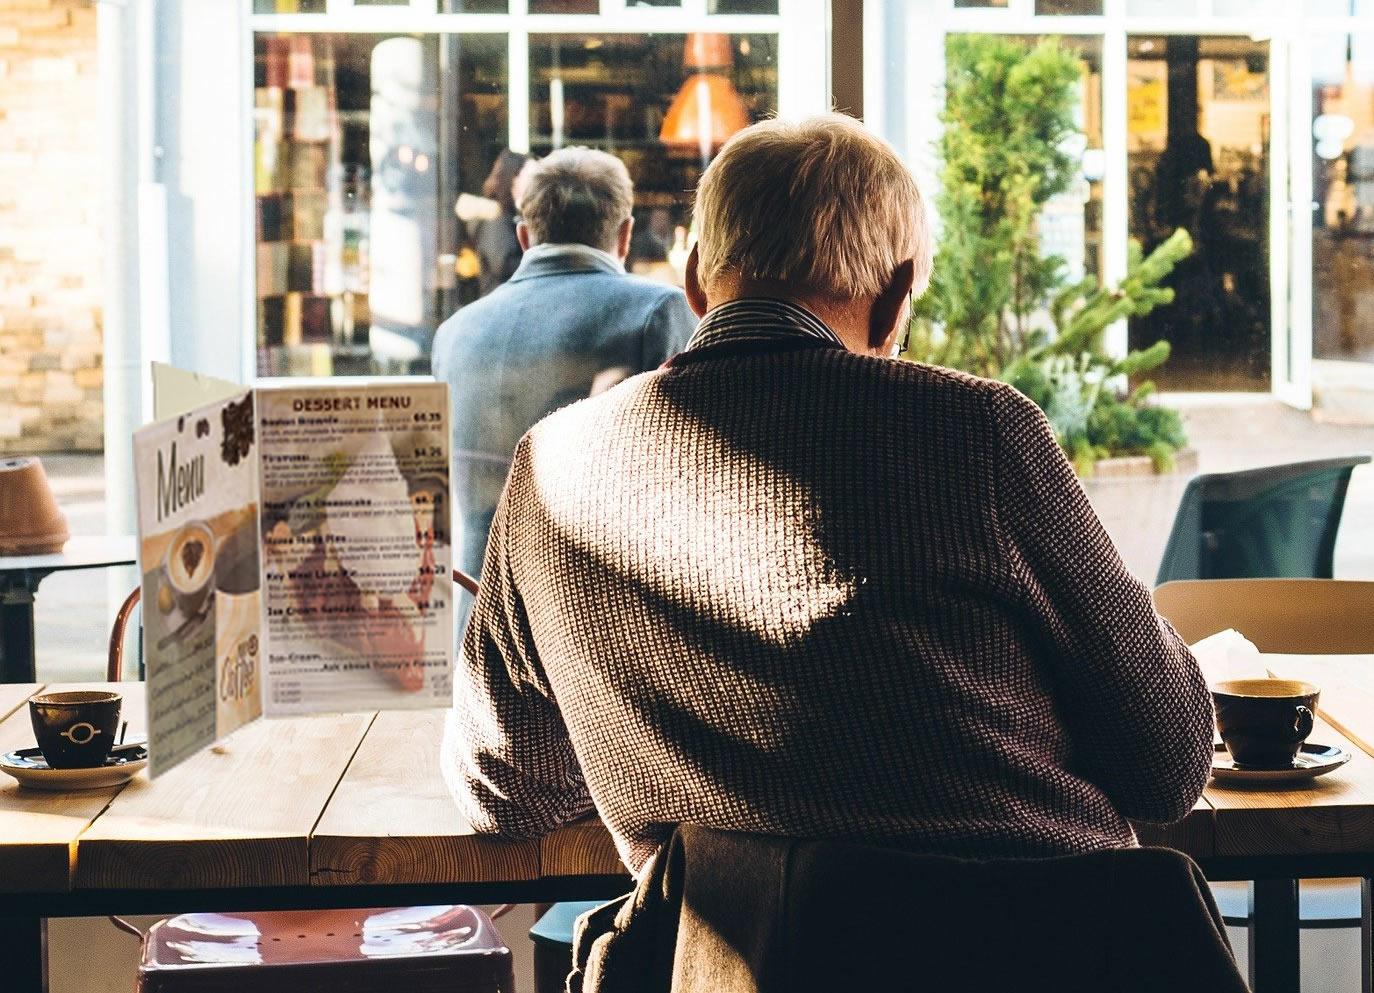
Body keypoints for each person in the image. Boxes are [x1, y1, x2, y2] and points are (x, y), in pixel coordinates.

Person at [441, 115, 1214, 877]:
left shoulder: (552, 466)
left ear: (696, 279)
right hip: (1046, 952)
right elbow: (1168, 764)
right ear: (895, 296)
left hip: (734, 964)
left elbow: (504, 791)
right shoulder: (979, 433)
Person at [432, 146, 696, 617]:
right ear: (626, 235)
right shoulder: (656, 313)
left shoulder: (454, 335)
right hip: (595, 627)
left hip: (473, 624)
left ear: (524, 236)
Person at [470, 148, 530, 297]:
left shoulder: (509, 214)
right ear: (513, 179)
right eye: (529, 176)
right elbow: (502, 264)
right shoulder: (497, 216)